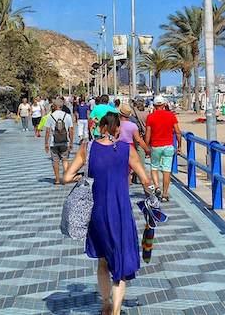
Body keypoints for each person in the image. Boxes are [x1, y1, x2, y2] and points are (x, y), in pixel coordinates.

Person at [63, 112, 152, 315]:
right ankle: (117, 310)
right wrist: (153, 201)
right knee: (119, 262)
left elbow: (66, 177)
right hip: (120, 212)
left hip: (97, 213)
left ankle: (105, 304)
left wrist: (83, 176)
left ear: (102, 127)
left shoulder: (89, 147)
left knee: (103, 260)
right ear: (118, 129)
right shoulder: (126, 149)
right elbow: (146, 181)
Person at [145, 95, 182, 202]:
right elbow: (178, 132)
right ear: (164, 104)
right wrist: (179, 146)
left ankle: (157, 186)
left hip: (156, 146)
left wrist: (147, 147)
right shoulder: (171, 116)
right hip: (169, 146)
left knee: (154, 167)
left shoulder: (150, 117)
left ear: (154, 105)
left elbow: (148, 134)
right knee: (166, 170)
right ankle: (165, 194)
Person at [44, 98, 74, 185]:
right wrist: (71, 142)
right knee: (65, 159)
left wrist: (46, 143)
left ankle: (57, 180)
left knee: (55, 161)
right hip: (64, 142)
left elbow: (47, 131)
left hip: (54, 142)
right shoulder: (67, 116)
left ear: (55, 106)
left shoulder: (50, 116)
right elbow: (71, 130)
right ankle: (65, 178)